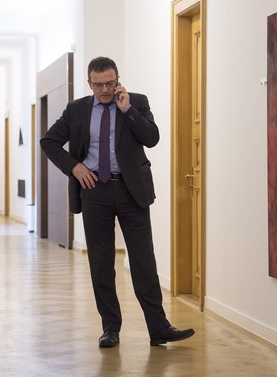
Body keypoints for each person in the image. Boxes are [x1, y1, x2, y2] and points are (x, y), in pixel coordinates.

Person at [40, 56, 195, 347]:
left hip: (131, 191)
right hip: (94, 191)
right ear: (89, 84)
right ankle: (110, 328)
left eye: (110, 83)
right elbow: (48, 141)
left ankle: (159, 328)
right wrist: (75, 167)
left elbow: (152, 138)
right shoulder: (76, 109)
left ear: (118, 80)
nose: (105, 90)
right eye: (98, 85)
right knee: (101, 263)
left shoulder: (136, 102)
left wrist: (127, 110)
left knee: (143, 261)